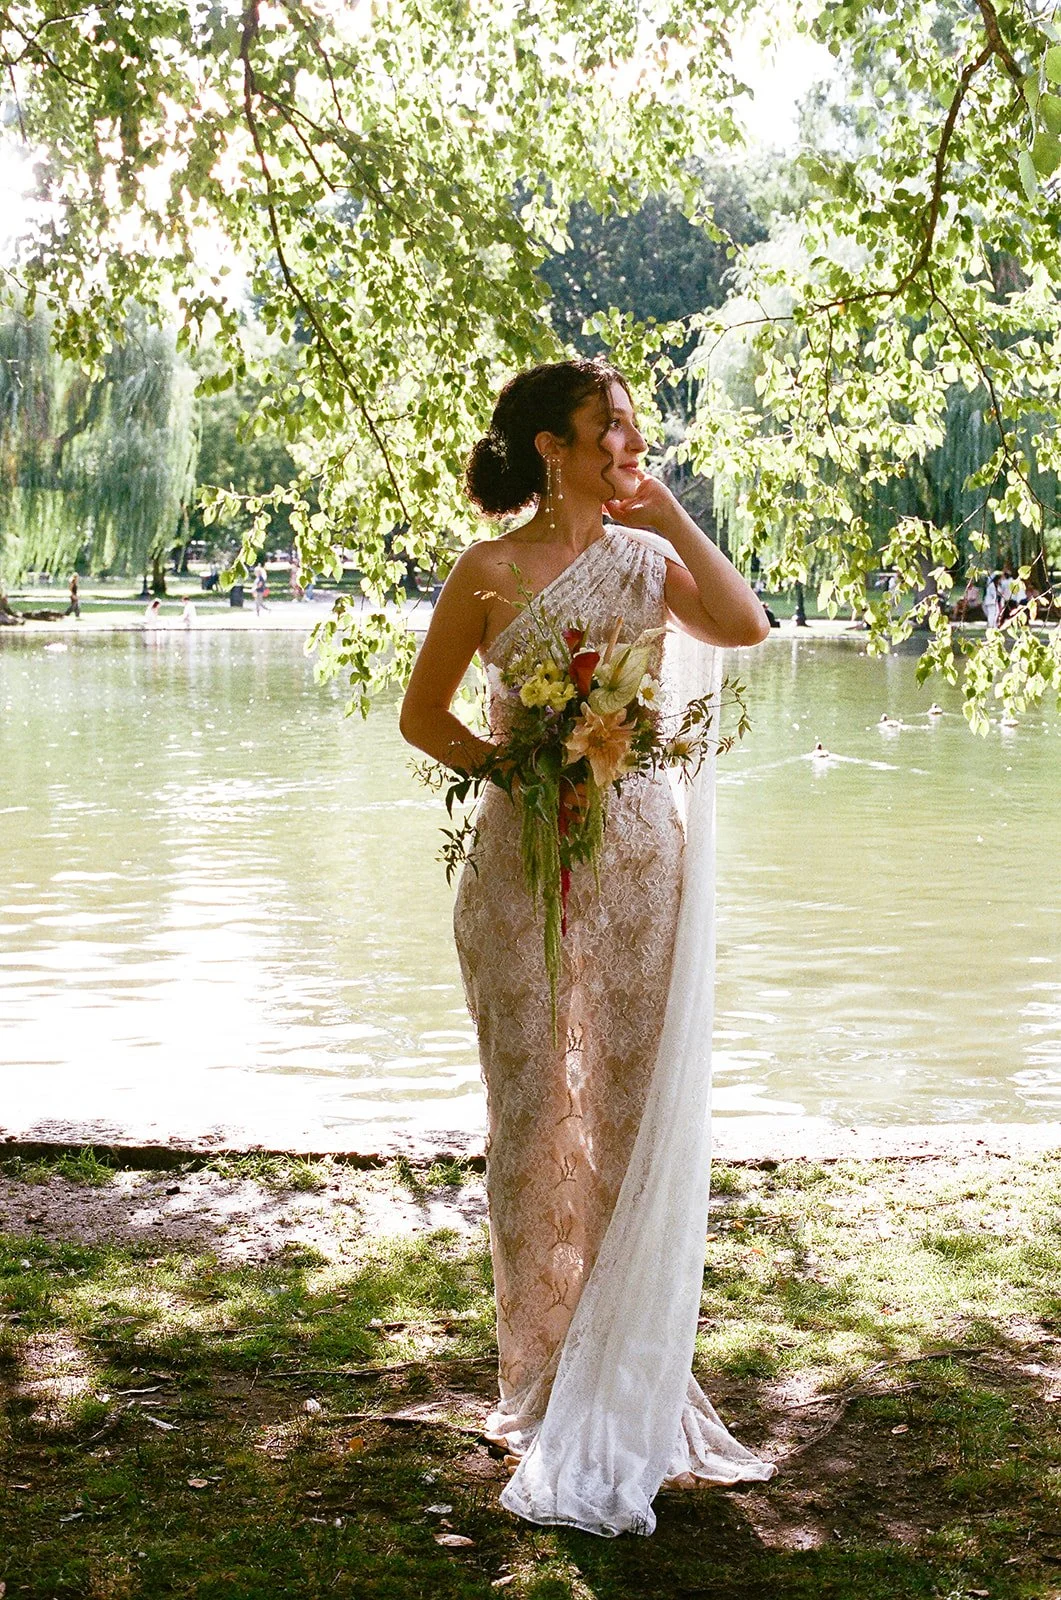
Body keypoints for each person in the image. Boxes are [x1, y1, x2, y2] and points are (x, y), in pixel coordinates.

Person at [399, 359, 775, 1537]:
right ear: (549, 447)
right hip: (518, 867)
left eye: (629, 425)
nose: (624, 439)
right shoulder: (487, 571)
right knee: (532, 1116)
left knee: (619, 1106)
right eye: (603, 426)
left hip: (636, 861)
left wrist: (665, 508)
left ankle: (632, 1379)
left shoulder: (650, 561)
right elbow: (423, 715)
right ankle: (544, 1378)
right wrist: (511, 764)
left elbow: (745, 624)